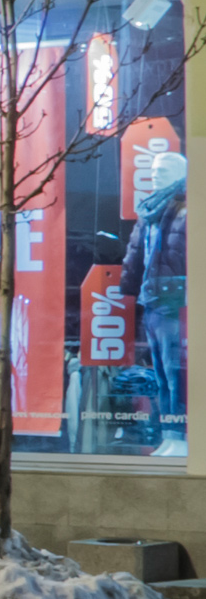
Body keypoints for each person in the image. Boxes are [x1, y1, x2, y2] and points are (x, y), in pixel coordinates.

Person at [128, 146, 188, 451]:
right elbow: (135, 255)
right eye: (152, 171)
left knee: (177, 372)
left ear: (180, 175)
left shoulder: (190, 209)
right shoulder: (150, 211)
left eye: (162, 171)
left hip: (177, 304)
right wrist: (128, 287)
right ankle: (171, 435)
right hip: (152, 300)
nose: (154, 176)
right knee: (163, 373)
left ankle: (183, 435)